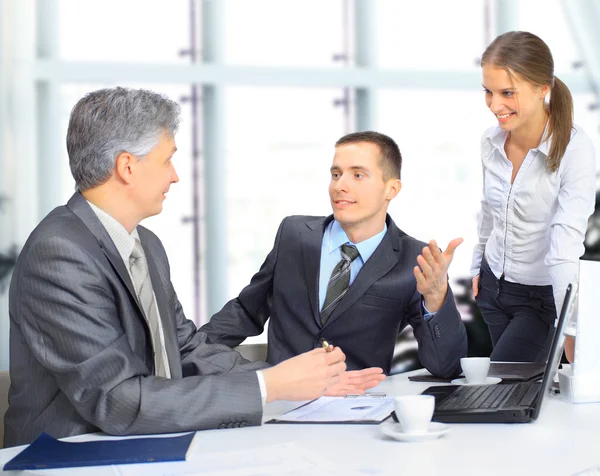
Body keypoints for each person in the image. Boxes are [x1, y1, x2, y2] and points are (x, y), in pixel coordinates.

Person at [4, 87, 383, 448]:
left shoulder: (146, 244)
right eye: (167, 160)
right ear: (127, 167)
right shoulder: (59, 253)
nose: (175, 175)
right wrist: (271, 386)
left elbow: (186, 349)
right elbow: (116, 400)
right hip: (71, 456)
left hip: (150, 442)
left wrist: (301, 380)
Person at [200, 131, 468, 377]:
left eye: (358, 175)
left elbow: (446, 367)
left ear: (392, 189)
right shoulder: (294, 235)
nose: (340, 185)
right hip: (281, 400)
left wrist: (435, 298)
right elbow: (247, 311)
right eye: (336, 174)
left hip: (360, 406)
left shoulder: (413, 259)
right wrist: (181, 355)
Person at [471, 31, 596, 363]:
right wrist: (476, 267)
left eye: (507, 93)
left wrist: (570, 327)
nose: (495, 105)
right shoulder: (490, 141)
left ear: (543, 88)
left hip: (540, 299)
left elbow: (566, 244)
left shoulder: (575, 149)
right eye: (489, 91)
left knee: (506, 393)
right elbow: (488, 210)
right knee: (513, 398)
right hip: (492, 289)